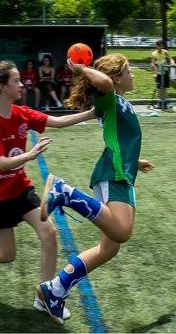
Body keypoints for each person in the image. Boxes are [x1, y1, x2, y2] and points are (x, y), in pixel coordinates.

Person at [36, 54, 155, 325]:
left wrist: (135, 161)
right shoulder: (109, 96)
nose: (133, 75)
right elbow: (103, 83)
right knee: (122, 232)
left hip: (121, 172)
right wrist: (80, 68)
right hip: (113, 174)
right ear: (115, 78)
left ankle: (55, 290)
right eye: (128, 71)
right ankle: (65, 192)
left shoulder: (118, 103)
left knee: (109, 248)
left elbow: (116, 136)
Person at [0, 60, 95, 321]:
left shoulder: (21, 113)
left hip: (20, 190)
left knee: (49, 232)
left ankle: (46, 296)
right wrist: (29, 155)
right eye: (16, 81)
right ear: (2, 86)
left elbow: (57, 122)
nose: (21, 85)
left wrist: (91, 113)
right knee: (6, 256)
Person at [150, 40, 175, 109]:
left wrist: (172, 63)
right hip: (159, 73)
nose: (160, 47)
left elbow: (171, 59)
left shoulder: (165, 52)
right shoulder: (154, 54)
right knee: (159, 89)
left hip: (165, 72)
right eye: (159, 46)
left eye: (162, 45)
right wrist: (154, 73)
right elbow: (153, 64)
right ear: (157, 46)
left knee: (165, 88)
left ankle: (165, 103)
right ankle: (160, 103)